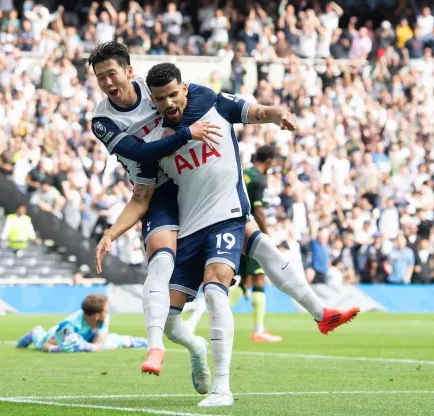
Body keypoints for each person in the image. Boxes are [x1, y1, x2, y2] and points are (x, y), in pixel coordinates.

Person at [97, 63, 359, 407]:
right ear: (154, 100)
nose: (169, 102)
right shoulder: (154, 144)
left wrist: (278, 115)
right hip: (189, 229)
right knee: (170, 320)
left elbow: (255, 110)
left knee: (217, 289)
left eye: (174, 94)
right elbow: (141, 197)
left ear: (185, 89)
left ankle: (223, 388)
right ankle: (204, 346)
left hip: (227, 216)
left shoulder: (210, 102)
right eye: (161, 99)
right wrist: (112, 233)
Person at [87, 41, 219, 383]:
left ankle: (317, 310)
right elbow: (140, 154)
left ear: (130, 71)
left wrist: (183, 128)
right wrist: (184, 133)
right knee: (160, 264)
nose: (107, 82)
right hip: (155, 190)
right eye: (100, 78)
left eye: (112, 73)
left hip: (193, 177)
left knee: (243, 241)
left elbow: (203, 97)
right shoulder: (102, 120)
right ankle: (164, 347)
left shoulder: (155, 87)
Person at [184, 146, 283, 343]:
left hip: (233, 230)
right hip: (250, 231)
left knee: (243, 282)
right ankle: (258, 330)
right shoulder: (259, 179)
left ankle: (213, 317)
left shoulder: (243, 172)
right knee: (258, 279)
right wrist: (265, 237)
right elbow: (260, 212)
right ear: (270, 160)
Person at [16, 294, 147, 353]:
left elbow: (98, 344)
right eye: (106, 311)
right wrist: (58, 349)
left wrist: (85, 346)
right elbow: (46, 345)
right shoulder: (69, 326)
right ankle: (35, 333)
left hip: (85, 339)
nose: (108, 313)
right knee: (39, 341)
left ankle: (147, 344)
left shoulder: (102, 318)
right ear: (96, 316)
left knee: (114, 341)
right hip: (55, 337)